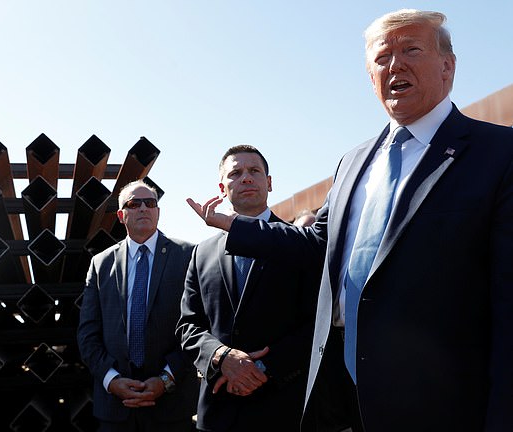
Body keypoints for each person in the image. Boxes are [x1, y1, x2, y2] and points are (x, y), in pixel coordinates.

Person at [187, 9, 513, 432]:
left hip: (441, 401)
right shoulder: (353, 162)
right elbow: (317, 244)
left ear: (447, 66)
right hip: (342, 397)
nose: (395, 65)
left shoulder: (497, 154)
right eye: (382, 57)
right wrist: (236, 227)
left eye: (411, 50)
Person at [176, 145, 322, 432]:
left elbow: (317, 321)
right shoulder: (201, 253)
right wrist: (221, 357)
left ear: (269, 182)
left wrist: (261, 370)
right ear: (222, 187)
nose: (246, 178)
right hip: (218, 410)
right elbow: (188, 326)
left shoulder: (302, 244)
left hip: (283, 408)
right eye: (236, 173)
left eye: (254, 171)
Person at [77, 180, 199, 432]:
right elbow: (88, 334)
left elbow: (198, 326)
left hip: (172, 407)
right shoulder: (100, 264)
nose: (143, 208)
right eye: (134, 203)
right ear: (121, 216)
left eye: (150, 203)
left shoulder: (189, 255)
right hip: (115, 409)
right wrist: (112, 381)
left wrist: (166, 379)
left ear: (158, 211)